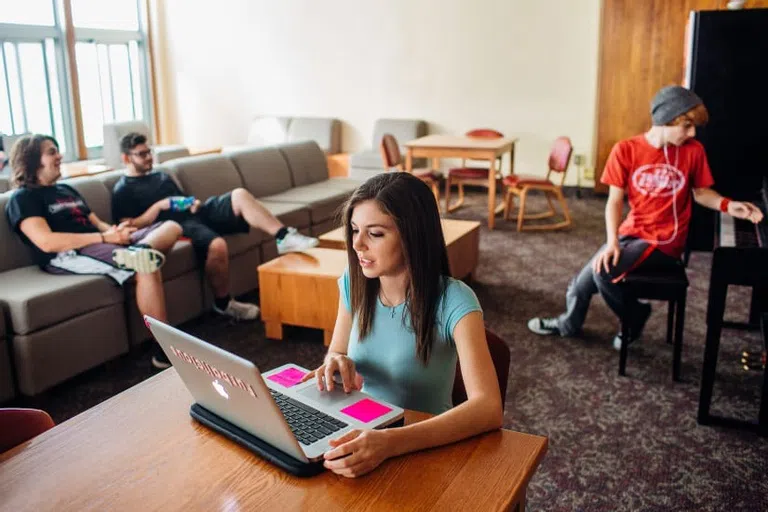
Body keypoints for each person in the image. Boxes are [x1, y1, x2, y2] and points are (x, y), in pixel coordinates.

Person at [298, 172, 503, 478]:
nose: (357, 244)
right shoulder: (353, 283)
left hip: (423, 447)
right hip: (361, 436)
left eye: (375, 234)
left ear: (412, 236)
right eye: (354, 230)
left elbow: (488, 408)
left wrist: (389, 443)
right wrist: (336, 362)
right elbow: (337, 352)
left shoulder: (455, 300)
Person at [528, 85, 764, 349]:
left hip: (666, 239)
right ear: (665, 119)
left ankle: (634, 317)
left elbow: (700, 193)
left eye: (694, 127)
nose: (692, 133)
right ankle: (568, 324)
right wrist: (613, 241)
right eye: (686, 126)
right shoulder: (626, 150)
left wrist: (729, 206)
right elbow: (614, 201)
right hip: (632, 231)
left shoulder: (693, 150)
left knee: (603, 272)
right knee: (579, 286)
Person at [4, 134, 182, 369]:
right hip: (68, 254)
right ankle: (164, 350)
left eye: (57, 150)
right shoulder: (23, 198)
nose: (59, 156)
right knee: (146, 265)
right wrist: (105, 237)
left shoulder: (67, 191)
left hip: (101, 242)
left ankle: (140, 250)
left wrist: (118, 233)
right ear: (32, 160)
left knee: (172, 227)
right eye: (51, 152)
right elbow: (46, 242)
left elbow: (98, 223)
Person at [110, 132, 320, 321]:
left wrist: (192, 203)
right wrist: (157, 207)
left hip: (193, 213)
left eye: (149, 152)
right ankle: (224, 304)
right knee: (217, 245)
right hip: (173, 226)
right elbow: (128, 225)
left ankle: (283, 236)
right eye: (142, 154)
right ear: (126, 158)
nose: (148, 158)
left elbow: (181, 199)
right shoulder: (123, 189)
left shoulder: (160, 175)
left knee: (239, 194)